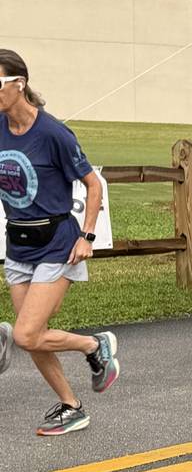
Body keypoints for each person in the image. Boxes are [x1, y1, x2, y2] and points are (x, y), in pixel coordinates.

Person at [0, 49, 120, 434]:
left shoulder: (53, 133)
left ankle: (93, 345)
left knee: (25, 334)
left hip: (57, 242)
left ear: (19, 84)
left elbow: (93, 185)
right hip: (18, 243)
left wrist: (87, 236)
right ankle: (72, 406)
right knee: (33, 337)